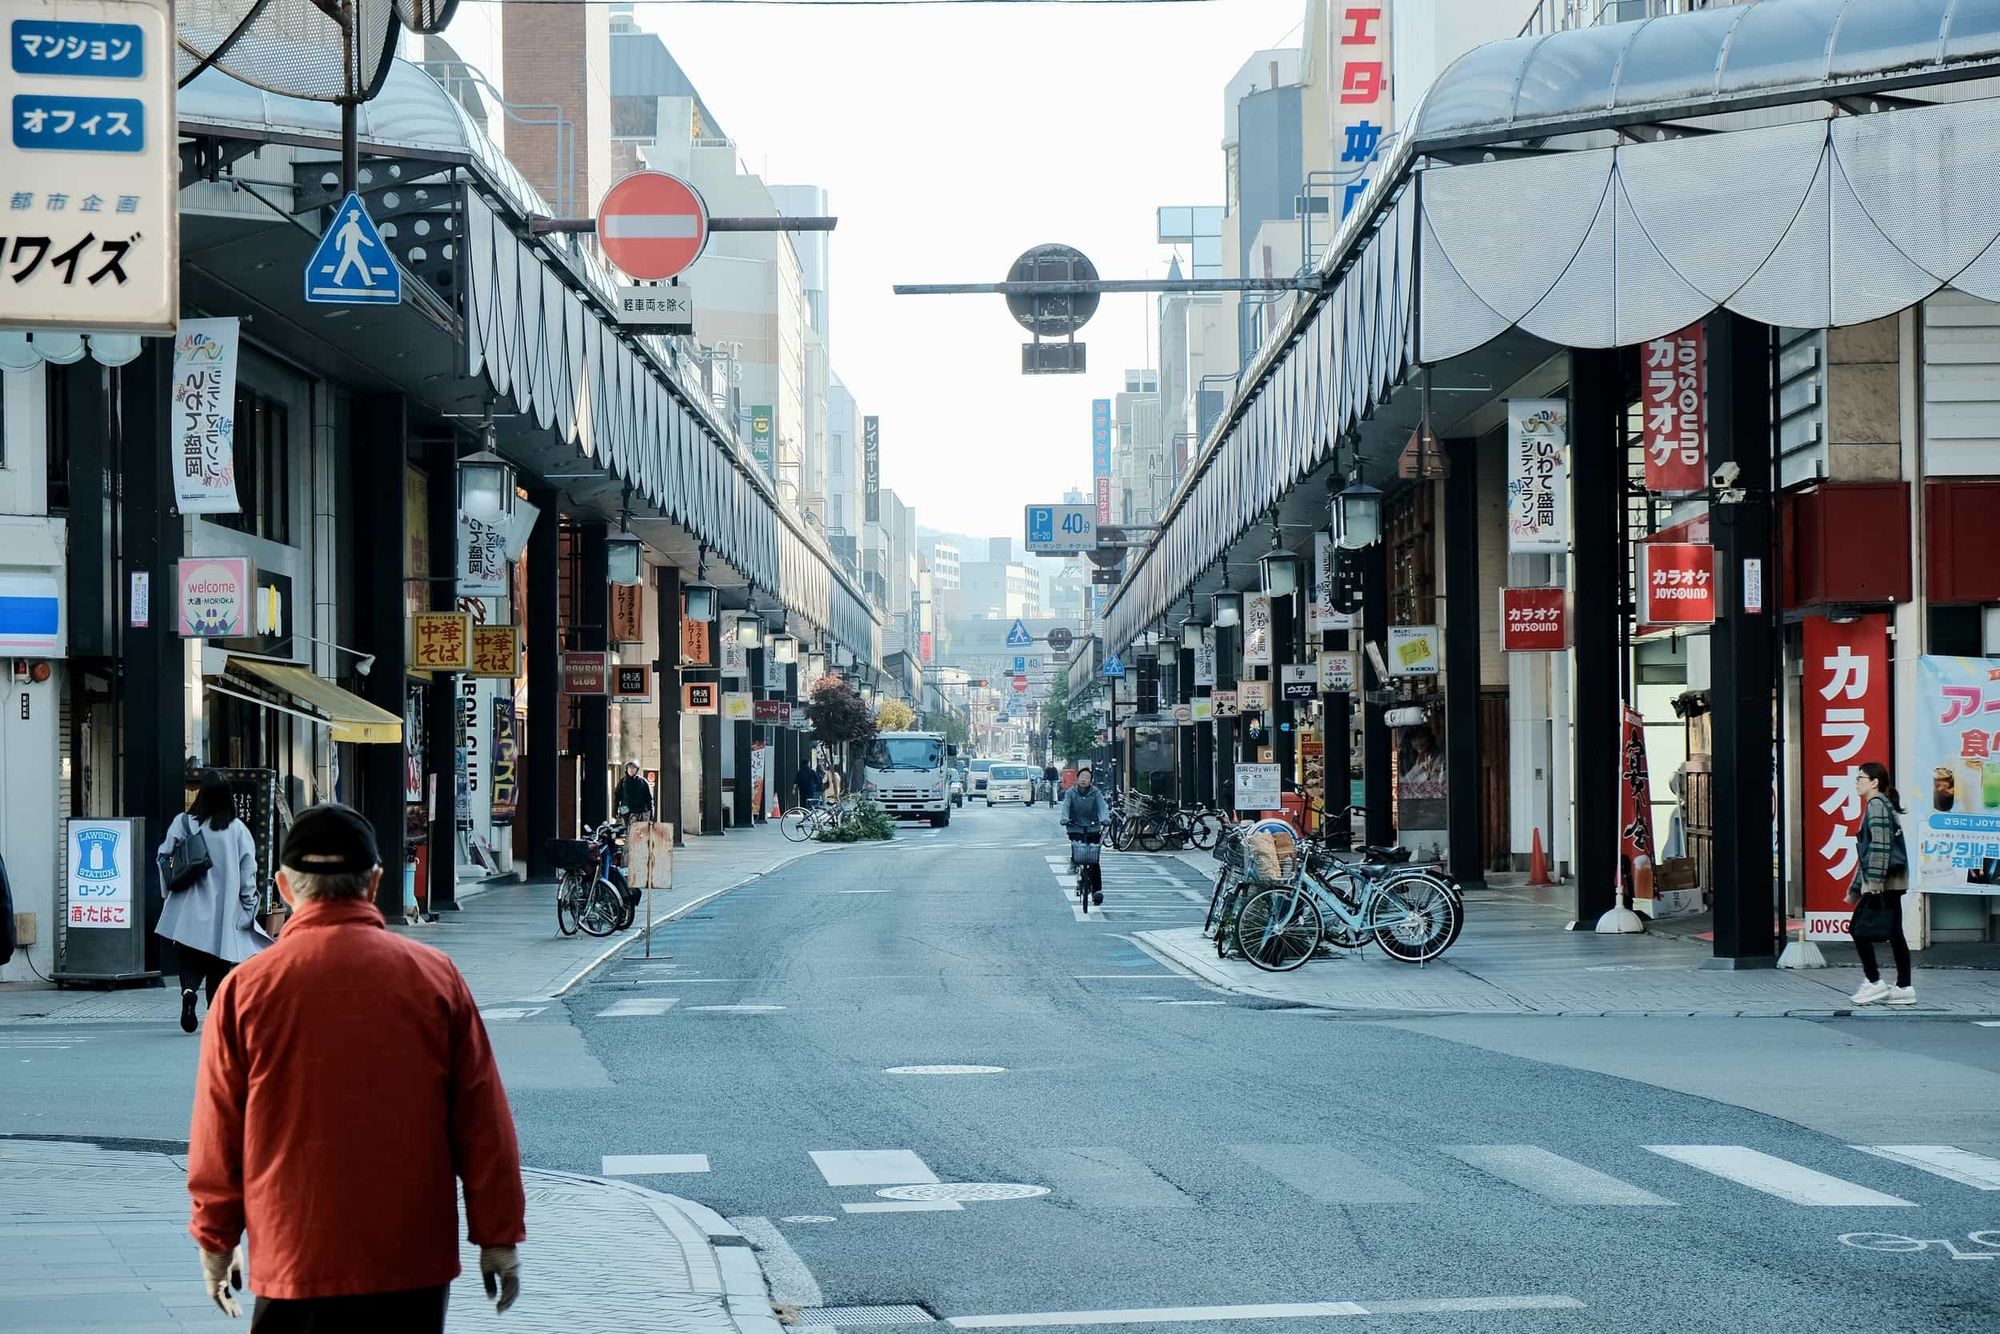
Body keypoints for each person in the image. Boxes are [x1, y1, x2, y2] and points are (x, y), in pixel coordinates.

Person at [187, 804, 525, 1330]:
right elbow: (484, 1124)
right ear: (374, 883)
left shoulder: (244, 991)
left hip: (293, 1254)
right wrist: (497, 1235)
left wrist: (216, 1239)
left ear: (282, 886)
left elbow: (218, 1134)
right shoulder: (435, 979)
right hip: (411, 1261)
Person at [156, 774, 266, 1034]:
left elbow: (163, 855)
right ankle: (214, 1013)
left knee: (189, 957)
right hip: (224, 908)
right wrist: (250, 903)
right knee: (219, 962)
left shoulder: (184, 823)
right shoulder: (237, 829)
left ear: (201, 794)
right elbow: (248, 870)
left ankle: (188, 991)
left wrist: (167, 890)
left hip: (188, 905)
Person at [1847, 761, 1915, 1006]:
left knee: (1857, 929)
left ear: (1874, 782)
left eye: (1860, 778)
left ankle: (1874, 981)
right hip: (1892, 881)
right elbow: (1868, 850)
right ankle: (1904, 987)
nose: (1857, 782)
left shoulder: (1876, 804)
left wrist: (1874, 881)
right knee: (1895, 934)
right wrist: (1856, 887)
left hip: (1883, 883)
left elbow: (1879, 844)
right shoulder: (1882, 804)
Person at [1058, 767, 1110, 906]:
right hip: (1075, 826)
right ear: (1077, 778)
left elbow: (1102, 807)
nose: (1084, 779)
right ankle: (1074, 861)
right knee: (1078, 848)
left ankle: (1097, 891)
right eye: (1082, 776)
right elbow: (1066, 807)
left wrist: (1105, 819)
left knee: (1094, 860)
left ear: (1091, 781)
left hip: (1093, 827)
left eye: (1087, 777)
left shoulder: (1096, 793)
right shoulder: (1070, 793)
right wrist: (1064, 819)